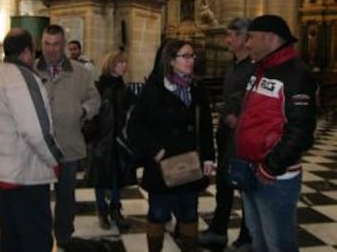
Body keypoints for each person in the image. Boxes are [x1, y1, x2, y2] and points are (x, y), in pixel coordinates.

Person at [0, 28, 63, 252]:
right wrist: (54, 159)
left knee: (11, 237)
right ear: (28, 52)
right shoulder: (24, 78)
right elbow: (36, 130)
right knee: (36, 238)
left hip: (4, 172)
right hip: (25, 173)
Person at [236, 15, 317, 252]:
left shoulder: (296, 74)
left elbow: (301, 132)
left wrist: (270, 166)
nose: (246, 43)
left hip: (275, 177)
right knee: (258, 240)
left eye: (251, 37)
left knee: (279, 245)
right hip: (251, 171)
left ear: (269, 38)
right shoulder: (260, 70)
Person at [127, 39, 215, 252]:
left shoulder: (197, 88)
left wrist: (208, 157)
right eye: (185, 56)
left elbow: (205, 126)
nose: (191, 60)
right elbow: (135, 126)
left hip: (190, 162)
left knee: (189, 212)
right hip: (162, 164)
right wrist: (155, 151)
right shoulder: (154, 88)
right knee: (157, 213)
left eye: (192, 56)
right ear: (171, 60)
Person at [35, 25, 101, 249]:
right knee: (39, 197)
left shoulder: (80, 72)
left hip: (69, 145)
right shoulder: (31, 71)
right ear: (41, 44)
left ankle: (64, 236)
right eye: (47, 44)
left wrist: (83, 111)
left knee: (66, 195)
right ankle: (42, 238)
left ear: (63, 45)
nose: (51, 49)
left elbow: (94, 99)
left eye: (56, 44)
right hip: (38, 148)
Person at [198, 17, 253, 251]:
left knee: (246, 187)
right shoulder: (233, 64)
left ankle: (247, 238)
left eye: (231, 35)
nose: (227, 39)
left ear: (244, 37)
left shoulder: (255, 66)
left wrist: (239, 119)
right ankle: (218, 231)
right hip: (226, 134)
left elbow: (254, 101)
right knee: (223, 184)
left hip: (242, 136)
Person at [85, 50, 137, 230]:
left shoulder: (124, 88)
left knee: (118, 177)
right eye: (120, 63)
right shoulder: (99, 87)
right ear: (111, 65)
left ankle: (115, 209)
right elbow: (92, 113)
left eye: (125, 63)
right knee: (100, 178)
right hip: (102, 141)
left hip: (120, 141)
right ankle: (102, 210)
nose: (124, 66)